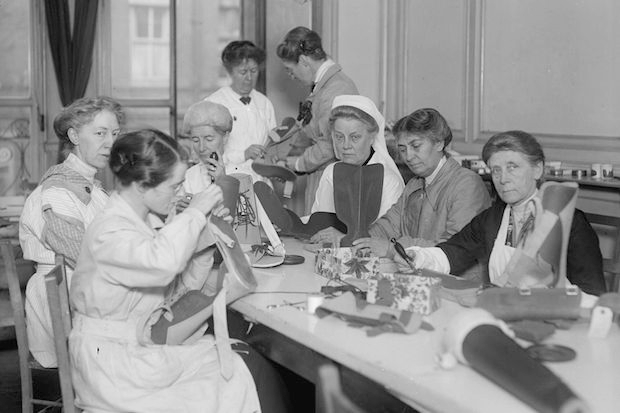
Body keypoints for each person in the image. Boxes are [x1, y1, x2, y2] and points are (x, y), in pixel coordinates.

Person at [69, 129, 261, 412]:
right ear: (142, 186)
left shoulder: (142, 223)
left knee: (233, 364)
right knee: (230, 377)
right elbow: (161, 265)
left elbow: (178, 288)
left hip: (130, 349)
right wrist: (195, 214)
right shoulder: (109, 231)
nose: (179, 194)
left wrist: (208, 235)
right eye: (174, 187)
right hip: (110, 365)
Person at [396, 130, 607, 296]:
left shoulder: (570, 222)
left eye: (512, 167)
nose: (503, 179)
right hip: (502, 313)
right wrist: (417, 257)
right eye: (496, 170)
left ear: (537, 169)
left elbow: (593, 293)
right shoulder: (493, 218)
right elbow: (454, 252)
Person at [19, 96, 124, 367]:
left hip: (85, 294)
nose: (110, 143)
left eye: (115, 134)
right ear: (74, 136)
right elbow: (86, 256)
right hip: (62, 306)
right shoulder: (56, 192)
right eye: (100, 133)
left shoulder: (96, 191)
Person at [353, 108, 491, 262]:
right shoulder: (414, 184)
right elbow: (388, 225)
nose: (408, 157)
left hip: (455, 276)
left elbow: (455, 249)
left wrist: (393, 249)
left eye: (416, 146)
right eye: (402, 149)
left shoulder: (467, 184)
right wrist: (359, 241)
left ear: (439, 143)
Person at [275, 26, 359, 213]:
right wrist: (285, 156)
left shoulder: (336, 89)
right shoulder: (324, 87)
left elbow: (329, 143)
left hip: (334, 179)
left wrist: (297, 164)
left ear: (304, 61)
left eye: (290, 70)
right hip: (323, 174)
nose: (291, 76)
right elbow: (311, 130)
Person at [310, 95, 405, 244]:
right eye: (339, 137)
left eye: (355, 137)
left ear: (372, 137)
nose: (345, 145)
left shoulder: (389, 181)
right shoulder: (330, 172)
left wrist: (345, 239)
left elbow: (387, 239)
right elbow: (320, 222)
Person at [205, 40, 276, 182]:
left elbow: (273, 142)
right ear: (230, 72)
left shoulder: (264, 103)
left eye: (254, 71)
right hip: (228, 180)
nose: (249, 77)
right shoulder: (214, 103)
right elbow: (207, 152)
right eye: (243, 72)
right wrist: (243, 154)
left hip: (261, 181)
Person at [181, 100, 231, 194]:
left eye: (209, 139)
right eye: (195, 140)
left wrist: (223, 182)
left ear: (225, 137)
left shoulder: (244, 174)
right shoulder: (187, 177)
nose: (201, 148)